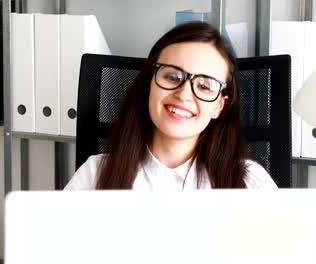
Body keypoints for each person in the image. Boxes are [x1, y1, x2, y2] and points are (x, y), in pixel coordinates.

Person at [65, 21, 278, 190]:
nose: (184, 94)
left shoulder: (249, 182)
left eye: (205, 86)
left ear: (219, 106)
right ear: (150, 83)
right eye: (172, 76)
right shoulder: (96, 174)